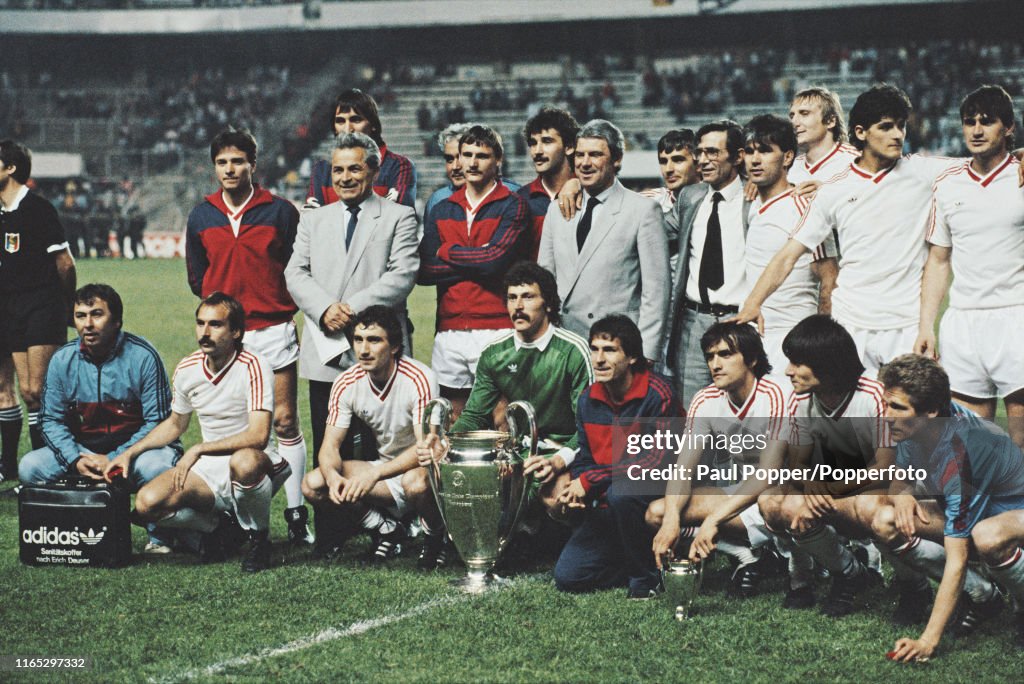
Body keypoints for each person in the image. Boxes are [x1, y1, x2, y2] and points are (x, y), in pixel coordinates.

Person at [736, 84, 959, 377]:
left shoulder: (923, 172)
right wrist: (754, 302)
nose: (897, 135)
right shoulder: (834, 189)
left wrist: (1018, 154)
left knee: (910, 416)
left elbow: (983, 165)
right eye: (887, 127)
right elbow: (789, 253)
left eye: (901, 126)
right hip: (850, 323)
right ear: (862, 132)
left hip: (905, 324)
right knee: (849, 417)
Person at [285, 131, 419, 545]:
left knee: (387, 442)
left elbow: (402, 276)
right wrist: (325, 309)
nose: (345, 177)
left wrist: (351, 310)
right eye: (338, 169)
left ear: (374, 170)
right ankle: (339, 530)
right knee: (333, 437)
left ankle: (404, 522)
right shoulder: (313, 218)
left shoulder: (399, 216)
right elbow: (295, 273)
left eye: (354, 168)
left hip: (379, 348)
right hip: (325, 348)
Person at [185, 129, 311, 546]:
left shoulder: (279, 210)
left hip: (273, 329)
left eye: (238, 161)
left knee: (285, 420)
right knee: (238, 427)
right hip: (226, 338)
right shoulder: (202, 215)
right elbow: (196, 277)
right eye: (222, 162)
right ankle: (239, 519)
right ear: (214, 166)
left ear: (253, 164)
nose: (230, 169)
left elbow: (298, 267)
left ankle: (295, 514)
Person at [105, 293, 290, 573]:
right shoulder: (187, 369)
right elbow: (175, 424)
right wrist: (129, 454)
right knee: (147, 504)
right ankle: (220, 528)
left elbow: (258, 435)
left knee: (244, 462)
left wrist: (199, 449)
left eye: (215, 325)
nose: (205, 332)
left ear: (236, 331)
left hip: (256, 460)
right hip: (210, 469)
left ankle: (258, 538)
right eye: (200, 323)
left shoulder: (254, 365)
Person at [871, 355, 1018, 661]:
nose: (887, 415)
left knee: (987, 536)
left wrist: (927, 640)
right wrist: (901, 494)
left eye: (897, 407)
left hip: (1015, 515)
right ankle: (983, 596)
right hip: (985, 511)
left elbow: (958, 557)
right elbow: (900, 473)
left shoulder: (966, 450)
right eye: (887, 404)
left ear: (932, 411)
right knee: (886, 519)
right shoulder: (915, 425)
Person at [419, 262, 593, 517]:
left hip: (563, 449)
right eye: (512, 298)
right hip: (516, 451)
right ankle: (514, 532)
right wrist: (446, 444)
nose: (518, 306)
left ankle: (558, 534)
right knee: (468, 484)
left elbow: (590, 425)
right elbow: (475, 415)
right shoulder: (494, 353)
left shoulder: (574, 351)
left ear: (549, 304)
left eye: (528, 297)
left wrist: (559, 460)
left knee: (556, 499)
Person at [18, 284, 179, 551]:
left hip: (136, 453)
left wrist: (118, 457)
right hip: (86, 454)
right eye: (81, 316)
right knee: (30, 467)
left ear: (117, 321)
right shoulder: (62, 360)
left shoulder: (143, 357)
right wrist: (75, 458)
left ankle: (159, 539)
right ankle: (70, 531)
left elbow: (158, 421)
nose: (88, 324)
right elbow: (50, 420)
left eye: (97, 314)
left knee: (158, 467)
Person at [758, 315, 890, 615]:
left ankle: (911, 585)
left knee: (871, 509)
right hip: (833, 489)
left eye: (797, 363)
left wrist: (827, 488)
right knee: (775, 503)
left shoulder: (872, 396)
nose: (788, 371)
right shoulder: (800, 401)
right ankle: (845, 573)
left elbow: (884, 467)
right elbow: (798, 465)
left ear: (827, 362)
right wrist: (810, 485)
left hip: (875, 494)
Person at [918, 85, 1024, 448]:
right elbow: (938, 259)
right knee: (973, 445)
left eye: (987, 121)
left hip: (1016, 317)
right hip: (963, 323)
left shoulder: (1021, 175)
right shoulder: (947, 184)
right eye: (969, 122)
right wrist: (926, 325)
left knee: (1020, 440)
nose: (976, 130)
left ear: (1008, 128)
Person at [649, 322, 788, 597]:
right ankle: (748, 555)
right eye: (710, 356)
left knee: (768, 502)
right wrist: (672, 520)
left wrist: (712, 519)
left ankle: (787, 553)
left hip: (779, 496)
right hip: (738, 495)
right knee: (657, 513)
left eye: (725, 354)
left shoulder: (776, 395)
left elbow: (767, 474)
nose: (715, 364)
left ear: (751, 359)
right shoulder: (705, 399)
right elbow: (682, 470)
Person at [302, 306, 444, 567]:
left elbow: (425, 449)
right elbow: (329, 447)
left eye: (374, 340)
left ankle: (436, 536)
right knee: (314, 483)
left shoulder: (419, 377)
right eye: (358, 340)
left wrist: (375, 474)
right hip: (388, 470)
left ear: (394, 347)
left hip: (427, 471)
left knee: (416, 483)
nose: (363, 350)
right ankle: (385, 529)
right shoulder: (346, 382)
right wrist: (333, 477)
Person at [554, 314, 681, 598]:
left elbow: (653, 463)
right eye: (595, 349)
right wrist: (578, 489)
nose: (599, 359)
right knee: (569, 577)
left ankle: (646, 578)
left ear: (633, 357)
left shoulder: (658, 394)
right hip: (606, 500)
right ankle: (634, 558)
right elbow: (585, 458)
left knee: (622, 493)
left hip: (653, 493)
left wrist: (589, 480)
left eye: (609, 350)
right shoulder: (588, 400)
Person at [418, 125, 530, 418]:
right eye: (466, 154)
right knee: (454, 419)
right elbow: (426, 270)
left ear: (498, 161)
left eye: (482, 155)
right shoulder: (442, 208)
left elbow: (496, 261)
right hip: (450, 329)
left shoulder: (513, 204)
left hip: (499, 327)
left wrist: (448, 252)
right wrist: (478, 261)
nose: (471, 162)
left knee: (502, 416)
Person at [538, 119, 669, 364]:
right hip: (563, 344)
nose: (585, 163)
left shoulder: (642, 210)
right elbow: (545, 277)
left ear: (617, 159)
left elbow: (656, 289)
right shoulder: (557, 209)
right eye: (580, 155)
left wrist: (647, 351)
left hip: (616, 346)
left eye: (595, 155)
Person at [742, 114, 837, 386]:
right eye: (749, 152)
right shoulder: (754, 207)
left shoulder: (804, 208)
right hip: (756, 338)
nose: (755, 160)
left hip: (791, 340)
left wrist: (817, 345)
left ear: (786, 158)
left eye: (765, 151)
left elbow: (829, 278)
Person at [665, 120, 751, 407]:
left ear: (738, 156)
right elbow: (655, 230)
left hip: (741, 321)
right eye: (700, 152)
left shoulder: (757, 197)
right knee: (691, 410)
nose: (703, 160)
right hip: (693, 321)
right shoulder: (691, 197)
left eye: (712, 152)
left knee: (747, 414)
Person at [0, 140, 76, 460]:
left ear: (11, 167)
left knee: (35, 391)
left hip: (43, 305)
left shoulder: (38, 209)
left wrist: (67, 305)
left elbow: (65, 263)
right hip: (10, 308)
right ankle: (10, 468)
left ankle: (41, 466)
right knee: (16, 390)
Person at [306, 88, 416, 209]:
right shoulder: (321, 169)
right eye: (340, 121)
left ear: (373, 124)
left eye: (356, 120)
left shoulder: (398, 166)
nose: (348, 129)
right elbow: (315, 222)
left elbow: (396, 219)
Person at [519, 107, 579, 259]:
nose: (537, 151)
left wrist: (579, 183)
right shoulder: (519, 200)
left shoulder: (587, 192)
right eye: (533, 143)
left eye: (547, 141)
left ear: (569, 147)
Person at [787, 86, 858, 187]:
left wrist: (826, 193)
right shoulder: (789, 168)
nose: (794, 122)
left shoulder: (855, 160)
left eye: (804, 113)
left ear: (830, 121)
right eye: (792, 116)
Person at [424, 123, 473, 219]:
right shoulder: (437, 199)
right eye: (449, 159)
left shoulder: (506, 195)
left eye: (461, 157)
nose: (455, 167)